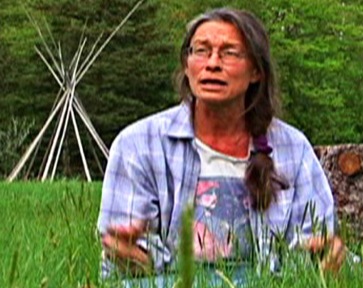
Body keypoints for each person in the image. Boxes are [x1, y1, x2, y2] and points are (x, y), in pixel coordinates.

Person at [97, 7, 345, 286]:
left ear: (255, 72)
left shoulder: (292, 147)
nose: (212, 63)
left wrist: (321, 253)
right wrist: (129, 252)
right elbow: (130, 257)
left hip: (267, 282)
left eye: (229, 53)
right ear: (187, 65)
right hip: (173, 282)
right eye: (201, 51)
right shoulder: (139, 144)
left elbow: (314, 243)